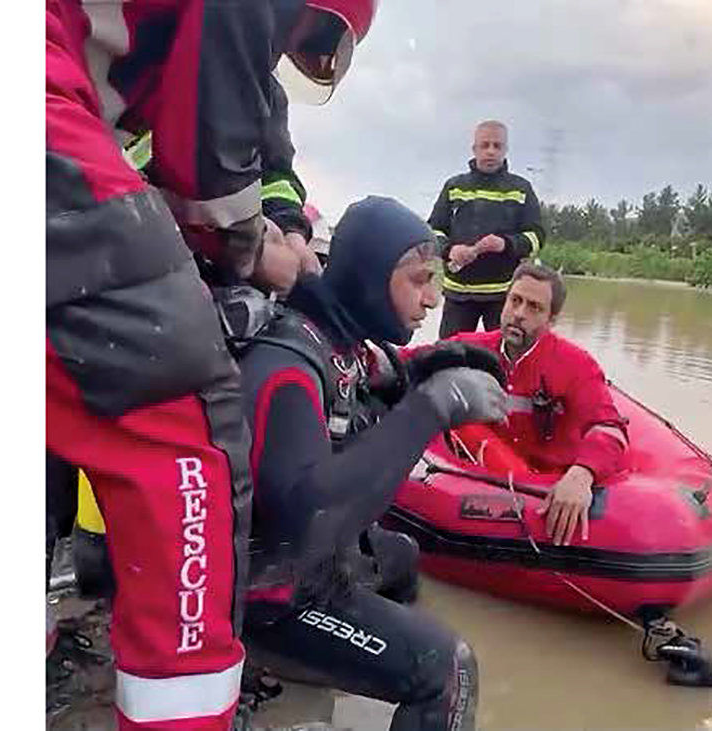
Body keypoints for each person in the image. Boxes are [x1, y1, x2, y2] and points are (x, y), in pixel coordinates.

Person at [46, 2, 378, 728]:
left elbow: (252, 156)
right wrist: (252, 247)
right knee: (184, 424)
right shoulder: (233, 40)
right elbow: (206, 163)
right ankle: (186, 706)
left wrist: (275, 227)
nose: (298, 51)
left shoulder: (226, 77)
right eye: (316, 37)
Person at [233, 196, 508, 730]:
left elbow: (373, 378)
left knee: (401, 557)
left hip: (307, 568)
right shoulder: (286, 367)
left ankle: (353, 670)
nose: (431, 299)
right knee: (451, 668)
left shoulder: (338, 341)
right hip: (267, 594)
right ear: (368, 276)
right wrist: (433, 407)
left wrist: (431, 363)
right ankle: (285, 663)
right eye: (418, 280)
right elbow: (308, 522)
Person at [442, 262, 629, 547]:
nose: (519, 314)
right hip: (489, 473)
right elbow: (409, 361)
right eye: (515, 301)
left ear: (551, 319)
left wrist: (582, 474)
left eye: (534, 308)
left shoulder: (577, 365)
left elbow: (609, 427)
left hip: (548, 482)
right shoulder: (469, 347)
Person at [428, 120, 545, 338]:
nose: (491, 151)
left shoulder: (521, 189)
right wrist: (450, 250)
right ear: (474, 149)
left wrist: (506, 244)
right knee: (449, 358)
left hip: (504, 298)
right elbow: (433, 232)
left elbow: (537, 237)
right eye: (485, 145)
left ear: (505, 150)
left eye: (497, 146)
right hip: (458, 296)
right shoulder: (454, 186)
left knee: (502, 361)